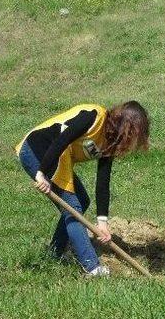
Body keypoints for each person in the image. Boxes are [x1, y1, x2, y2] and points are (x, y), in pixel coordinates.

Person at [15, 101, 149, 276]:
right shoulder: (93, 116)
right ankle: (92, 267)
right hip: (38, 151)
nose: (133, 143)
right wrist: (41, 173)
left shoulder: (110, 141)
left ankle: (54, 254)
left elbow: (103, 181)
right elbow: (61, 140)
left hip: (59, 159)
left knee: (81, 201)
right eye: (134, 135)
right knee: (72, 208)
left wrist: (102, 223)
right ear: (127, 127)